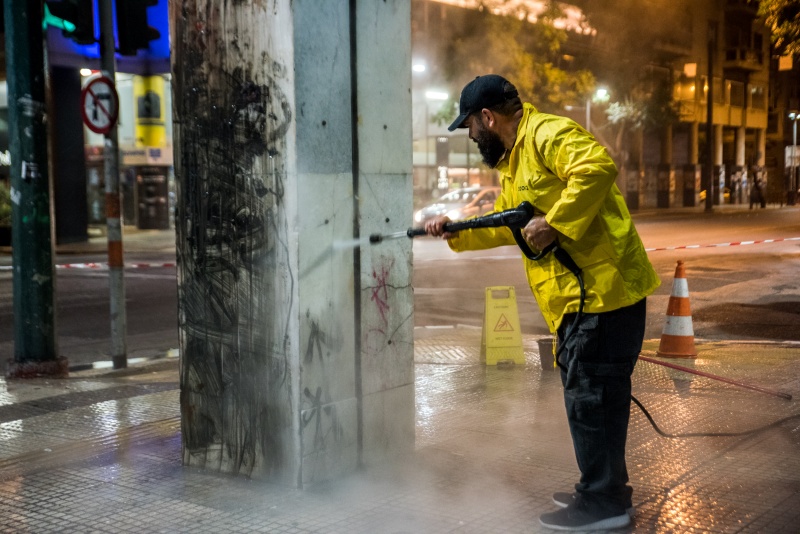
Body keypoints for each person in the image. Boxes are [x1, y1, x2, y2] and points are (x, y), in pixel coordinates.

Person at [424, 74, 660, 531]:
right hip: (584, 299)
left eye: (471, 127)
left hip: (602, 295)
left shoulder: (549, 135)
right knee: (596, 401)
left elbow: (596, 168)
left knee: (591, 400)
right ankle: (606, 490)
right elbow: (509, 224)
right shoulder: (516, 162)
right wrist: (457, 231)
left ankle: (602, 503)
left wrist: (555, 222)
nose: (472, 137)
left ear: (488, 118)